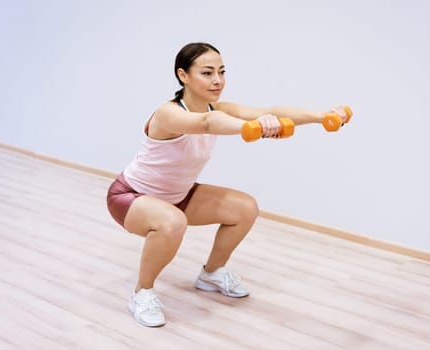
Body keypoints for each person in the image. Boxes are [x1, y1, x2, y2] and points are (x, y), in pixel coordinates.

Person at [106, 42, 350, 327]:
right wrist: (256, 129)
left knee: (244, 208)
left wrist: (322, 117)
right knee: (173, 222)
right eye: (207, 73)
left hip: (177, 196)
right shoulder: (168, 113)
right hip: (131, 196)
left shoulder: (219, 108)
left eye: (221, 72)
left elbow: (269, 110)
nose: (217, 80)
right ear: (183, 75)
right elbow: (209, 123)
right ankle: (142, 292)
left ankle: (211, 273)